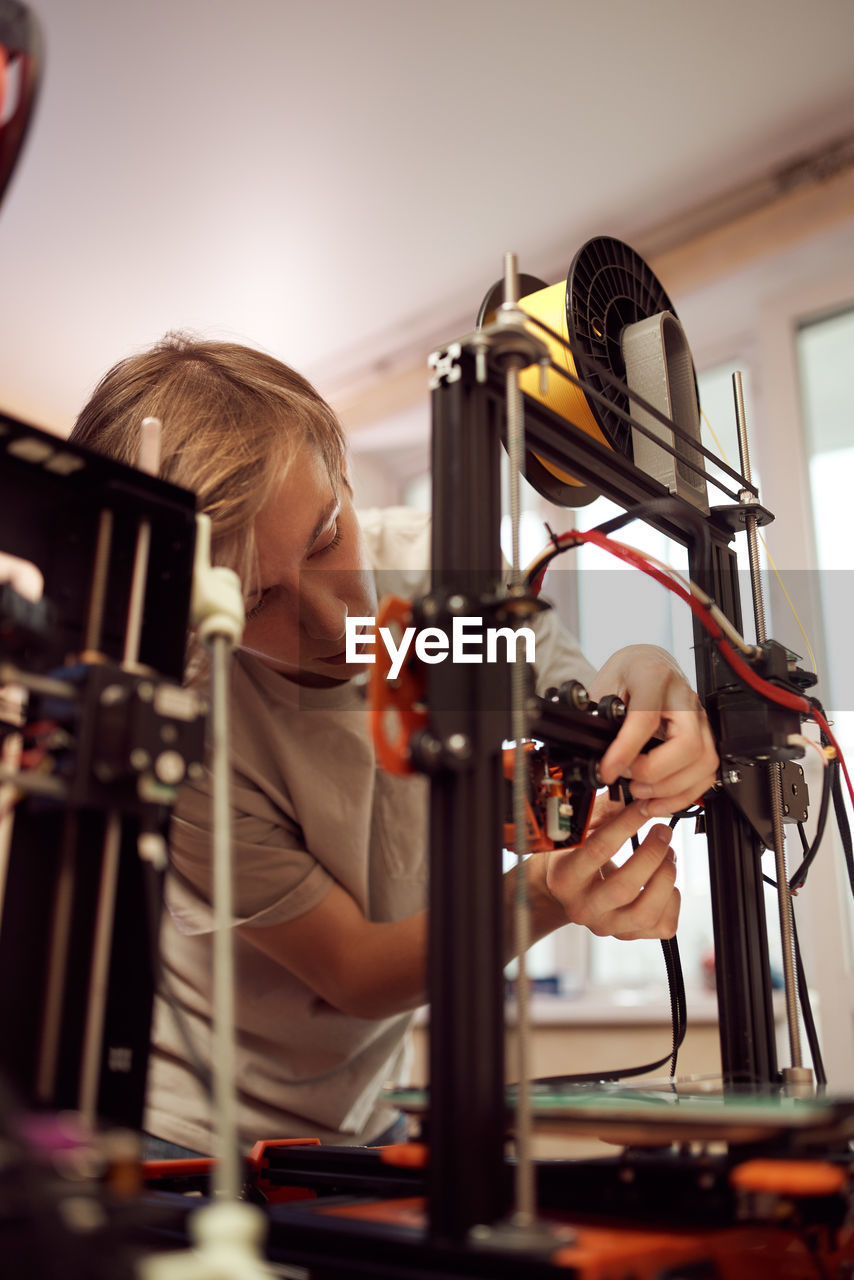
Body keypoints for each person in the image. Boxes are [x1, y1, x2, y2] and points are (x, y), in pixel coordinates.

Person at [70, 335, 719, 1156]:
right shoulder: (183, 726)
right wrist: (549, 893)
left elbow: (582, 711)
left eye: (324, 537)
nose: (337, 622)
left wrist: (646, 675)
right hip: (188, 1131)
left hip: (366, 1114)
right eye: (257, 597)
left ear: (342, 473)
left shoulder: (440, 575)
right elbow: (356, 972)